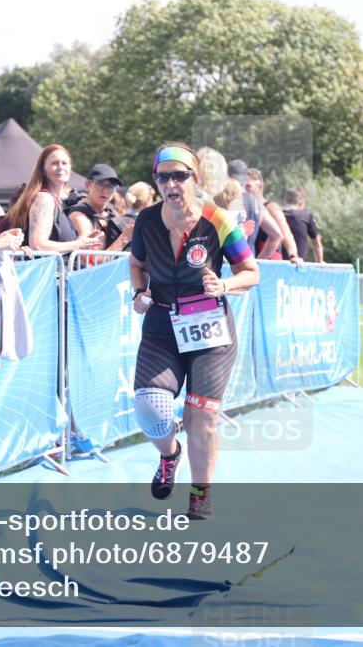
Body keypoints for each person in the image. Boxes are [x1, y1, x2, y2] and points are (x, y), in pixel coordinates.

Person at [129, 142, 259, 519]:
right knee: (150, 408)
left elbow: (252, 272)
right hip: (162, 325)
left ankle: (200, 495)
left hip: (210, 331)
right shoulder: (147, 221)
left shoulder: (219, 220)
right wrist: (140, 291)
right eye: (163, 177)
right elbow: (137, 264)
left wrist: (225, 285)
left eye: (179, 176)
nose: (171, 183)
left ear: (195, 179)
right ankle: (170, 455)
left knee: (199, 416)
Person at [4, 144, 101, 253]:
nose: (60, 167)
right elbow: (38, 245)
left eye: (64, 163)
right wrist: (78, 244)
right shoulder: (44, 199)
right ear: (43, 170)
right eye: (54, 163)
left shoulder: (58, 202)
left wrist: (83, 242)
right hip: (42, 269)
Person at [68, 164, 134, 252]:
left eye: (111, 186)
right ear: (88, 185)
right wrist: (124, 238)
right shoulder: (78, 215)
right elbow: (92, 258)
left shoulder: (111, 212)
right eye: (100, 184)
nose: (105, 190)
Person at [229, 159, 283, 259]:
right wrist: (258, 261)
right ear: (245, 179)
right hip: (248, 266)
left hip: (225, 266)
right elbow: (277, 235)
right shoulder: (256, 203)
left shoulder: (224, 200)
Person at [246, 168, 302, 263]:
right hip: (252, 261)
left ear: (260, 186)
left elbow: (286, 234)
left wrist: (293, 255)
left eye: (248, 186)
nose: (245, 190)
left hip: (270, 263)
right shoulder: (246, 207)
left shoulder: (270, 207)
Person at [281, 187, 324, 263]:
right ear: (300, 201)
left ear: (285, 200)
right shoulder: (306, 215)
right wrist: (320, 261)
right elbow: (317, 242)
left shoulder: (277, 214)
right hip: (299, 265)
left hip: (277, 263)